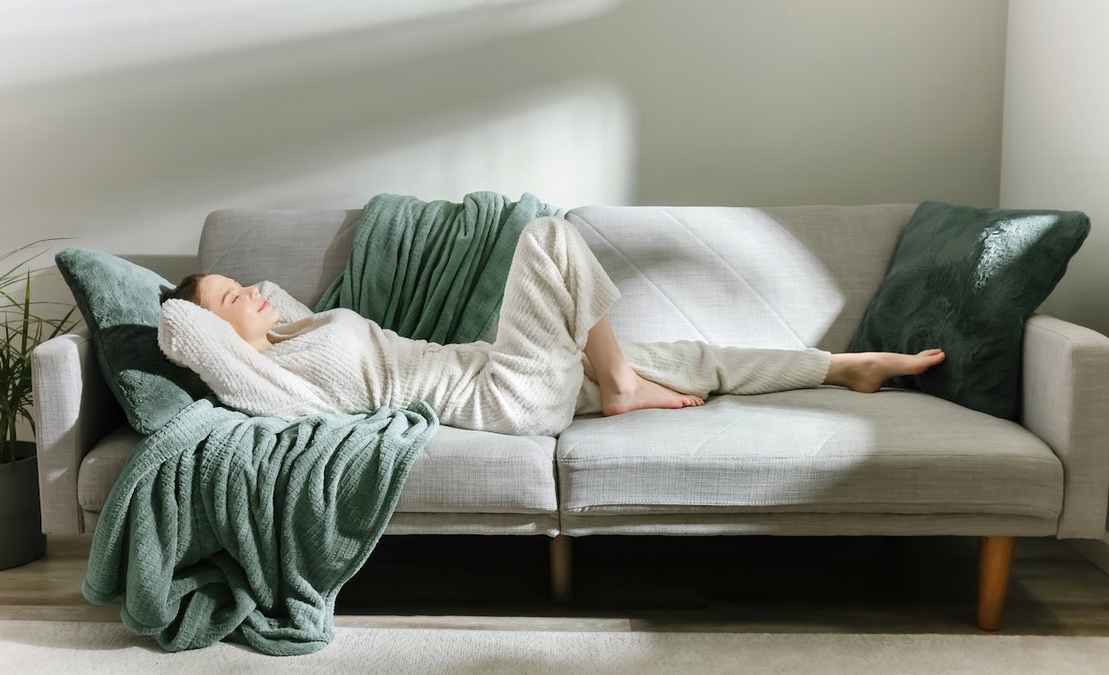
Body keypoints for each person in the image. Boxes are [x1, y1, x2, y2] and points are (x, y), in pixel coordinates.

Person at [158, 216, 944, 436]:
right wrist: (196, 307)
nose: (258, 293)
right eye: (234, 299)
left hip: (499, 367)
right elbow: (184, 333)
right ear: (217, 337)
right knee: (547, 235)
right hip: (502, 396)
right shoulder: (271, 381)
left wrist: (235, 300)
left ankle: (844, 366)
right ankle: (624, 384)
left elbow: (266, 301)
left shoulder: (292, 334)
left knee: (691, 354)